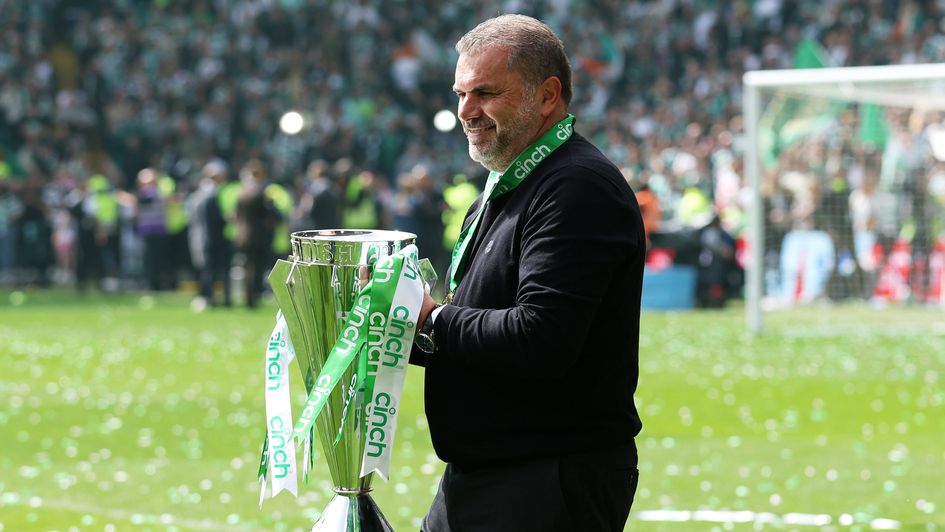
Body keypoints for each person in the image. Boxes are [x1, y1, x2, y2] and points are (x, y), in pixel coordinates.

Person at [410, 14, 645, 532]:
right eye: (461, 93)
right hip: (489, 474)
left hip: (547, 476)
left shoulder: (577, 187)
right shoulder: (509, 187)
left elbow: (542, 336)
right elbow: (477, 333)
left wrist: (429, 322)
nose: (466, 111)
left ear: (547, 96)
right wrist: (387, 328)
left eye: (486, 93)